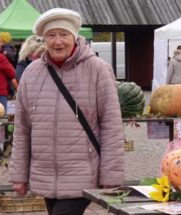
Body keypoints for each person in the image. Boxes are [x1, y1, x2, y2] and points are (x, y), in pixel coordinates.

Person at [8, 8, 124, 215]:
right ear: (44, 40)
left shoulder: (98, 69)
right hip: (44, 173)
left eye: (64, 34)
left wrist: (111, 176)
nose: (58, 41)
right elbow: (22, 129)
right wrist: (19, 174)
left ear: (75, 37)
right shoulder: (31, 74)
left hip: (82, 172)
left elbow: (112, 126)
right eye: (51, 35)